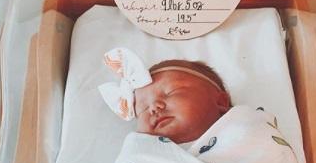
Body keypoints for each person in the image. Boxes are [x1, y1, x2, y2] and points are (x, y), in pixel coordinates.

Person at [98, 48, 231, 144]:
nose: (153, 108)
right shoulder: (140, 155)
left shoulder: (241, 129)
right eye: (142, 109)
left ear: (221, 102)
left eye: (170, 93)